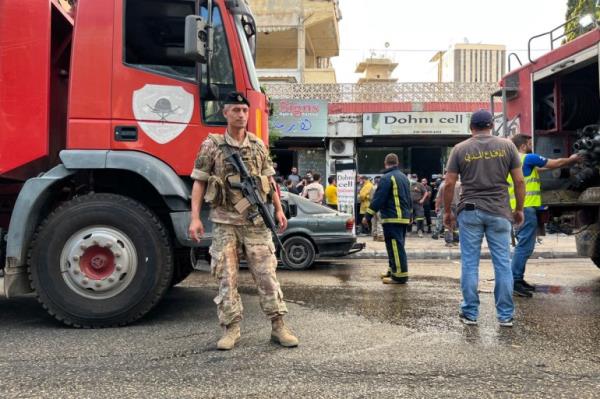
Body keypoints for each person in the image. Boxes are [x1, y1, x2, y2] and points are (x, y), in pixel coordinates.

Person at [188, 92, 298, 350]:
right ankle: (231, 328)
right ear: (225, 113)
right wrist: (194, 218)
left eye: (244, 111)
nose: (240, 114)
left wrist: (279, 210)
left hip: (256, 222)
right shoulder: (211, 146)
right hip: (225, 223)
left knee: (267, 275)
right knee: (227, 277)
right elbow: (199, 182)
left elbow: (270, 182)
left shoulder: (258, 145)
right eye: (235, 110)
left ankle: (278, 326)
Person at [444, 109, 525, 327]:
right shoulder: (508, 146)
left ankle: (470, 313)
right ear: (491, 126)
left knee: (470, 263)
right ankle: (505, 315)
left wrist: (447, 212)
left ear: (471, 127)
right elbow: (519, 181)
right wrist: (519, 209)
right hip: (500, 211)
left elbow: (450, 183)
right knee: (502, 264)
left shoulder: (460, 149)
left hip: (469, 210)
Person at [508, 134, 582, 297]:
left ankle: (517, 280)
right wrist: (572, 159)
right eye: (529, 143)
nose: (531, 145)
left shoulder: (513, 161)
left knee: (523, 246)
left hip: (519, 208)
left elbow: (543, 168)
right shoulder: (527, 158)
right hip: (526, 208)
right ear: (522, 145)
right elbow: (554, 163)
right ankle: (515, 281)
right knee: (524, 247)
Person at [362, 154, 412, 284]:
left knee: (395, 246)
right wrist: (410, 215)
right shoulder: (404, 178)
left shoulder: (386, 178)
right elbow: (409, 198)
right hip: (402, 218)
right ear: (397, 162)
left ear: (385, 163)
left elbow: (379, 199)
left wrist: (367, 215)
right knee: (394, 246)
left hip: (392, 217)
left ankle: (400, 276)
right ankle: (392, 270)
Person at [435, 175, 461, 246]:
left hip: (446, 207)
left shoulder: (443, 185)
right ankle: (456, 241)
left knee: (448, 224)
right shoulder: (460, 185)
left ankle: (449, 241)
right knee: (456, 224)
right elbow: (463, 196)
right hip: (458, 206)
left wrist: (437, 207)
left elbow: (438, 198)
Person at [370, 176, 384, 241]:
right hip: (380, 206)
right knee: (380, 221)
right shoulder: (382, 188)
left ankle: (374, 235)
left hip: (372, 205)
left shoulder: (372, 187)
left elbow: (370, 198)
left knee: (374, 221)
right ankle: (380, 236)